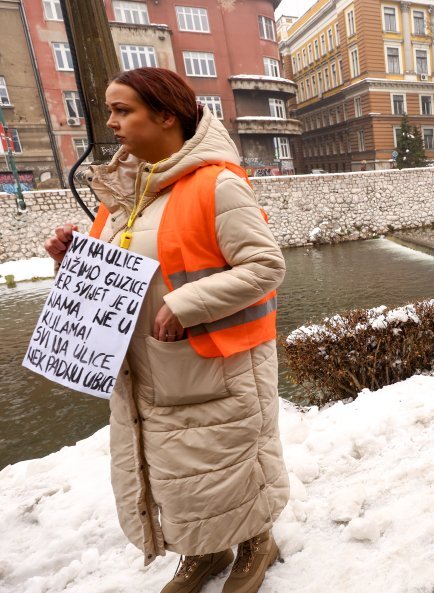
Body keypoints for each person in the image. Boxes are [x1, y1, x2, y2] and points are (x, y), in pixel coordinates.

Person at [43, 67, 288, 593]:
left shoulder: (218, 184)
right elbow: (112, 280)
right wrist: (72, 262)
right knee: (176, 479)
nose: (111, 122)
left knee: (229, 466)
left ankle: (256, 543)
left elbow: (265, 265)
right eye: (111, 110)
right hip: (146, 371)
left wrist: (186, 303)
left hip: (215, 368)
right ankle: (202, 551)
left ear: (167, 116)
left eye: (122, 110)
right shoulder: (124, 193)